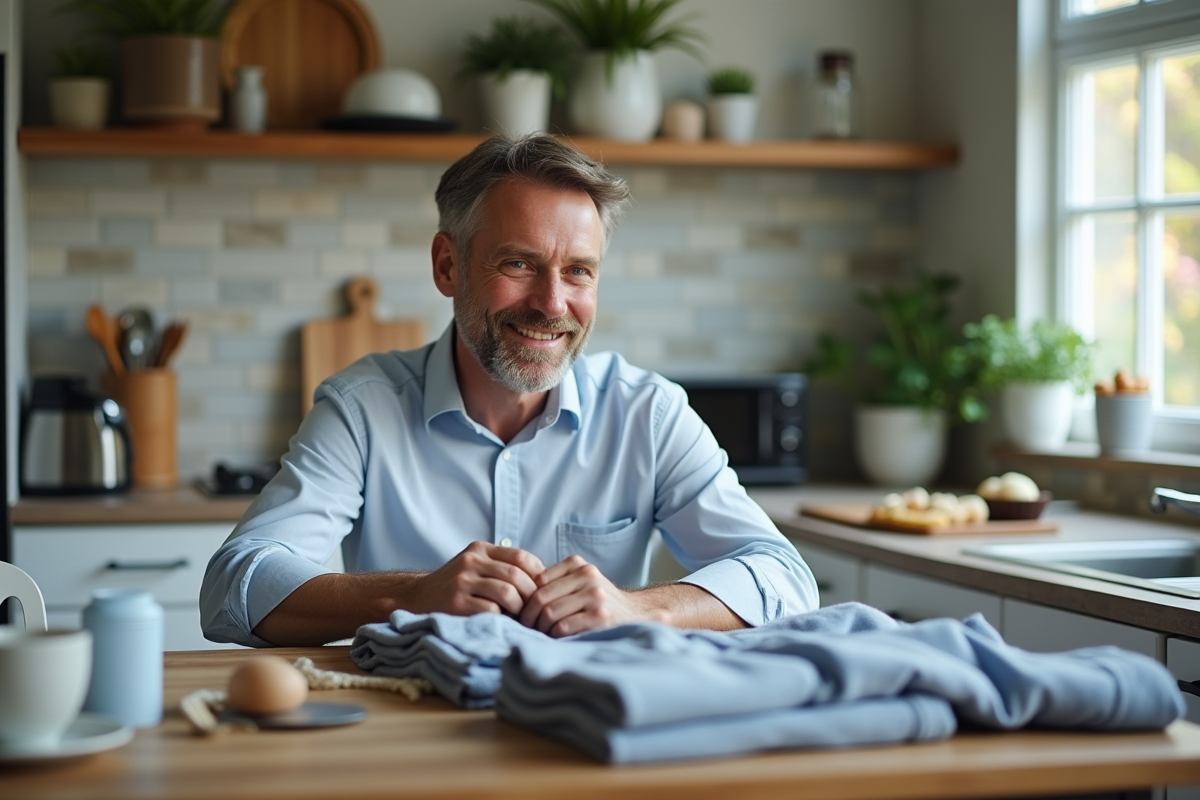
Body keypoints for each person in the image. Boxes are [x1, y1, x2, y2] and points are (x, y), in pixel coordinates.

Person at [200, 134, 818, 648]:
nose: (552, 304)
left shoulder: (647, 414)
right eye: (519, 264)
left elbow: (784, 577)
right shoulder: (362, 408)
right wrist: (411, 595)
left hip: (592, 727)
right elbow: (233, 586)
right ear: (448, 266)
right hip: (413, 726)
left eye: (578, 271)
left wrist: (640, 609)